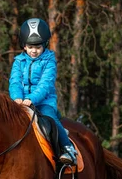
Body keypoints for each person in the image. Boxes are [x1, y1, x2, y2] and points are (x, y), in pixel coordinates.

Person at [9, 18, 77, 165]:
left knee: (50, 119)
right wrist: (17, 97)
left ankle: (68, 149)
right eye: (30, 46)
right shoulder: (18, 61)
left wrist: (31, 99)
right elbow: (15, 82)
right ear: (24, 46)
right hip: (21, 102)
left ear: (45, 45)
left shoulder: (49, 61)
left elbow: (45, 85)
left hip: (44, 102)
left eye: (38, 47)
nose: (34, 51)